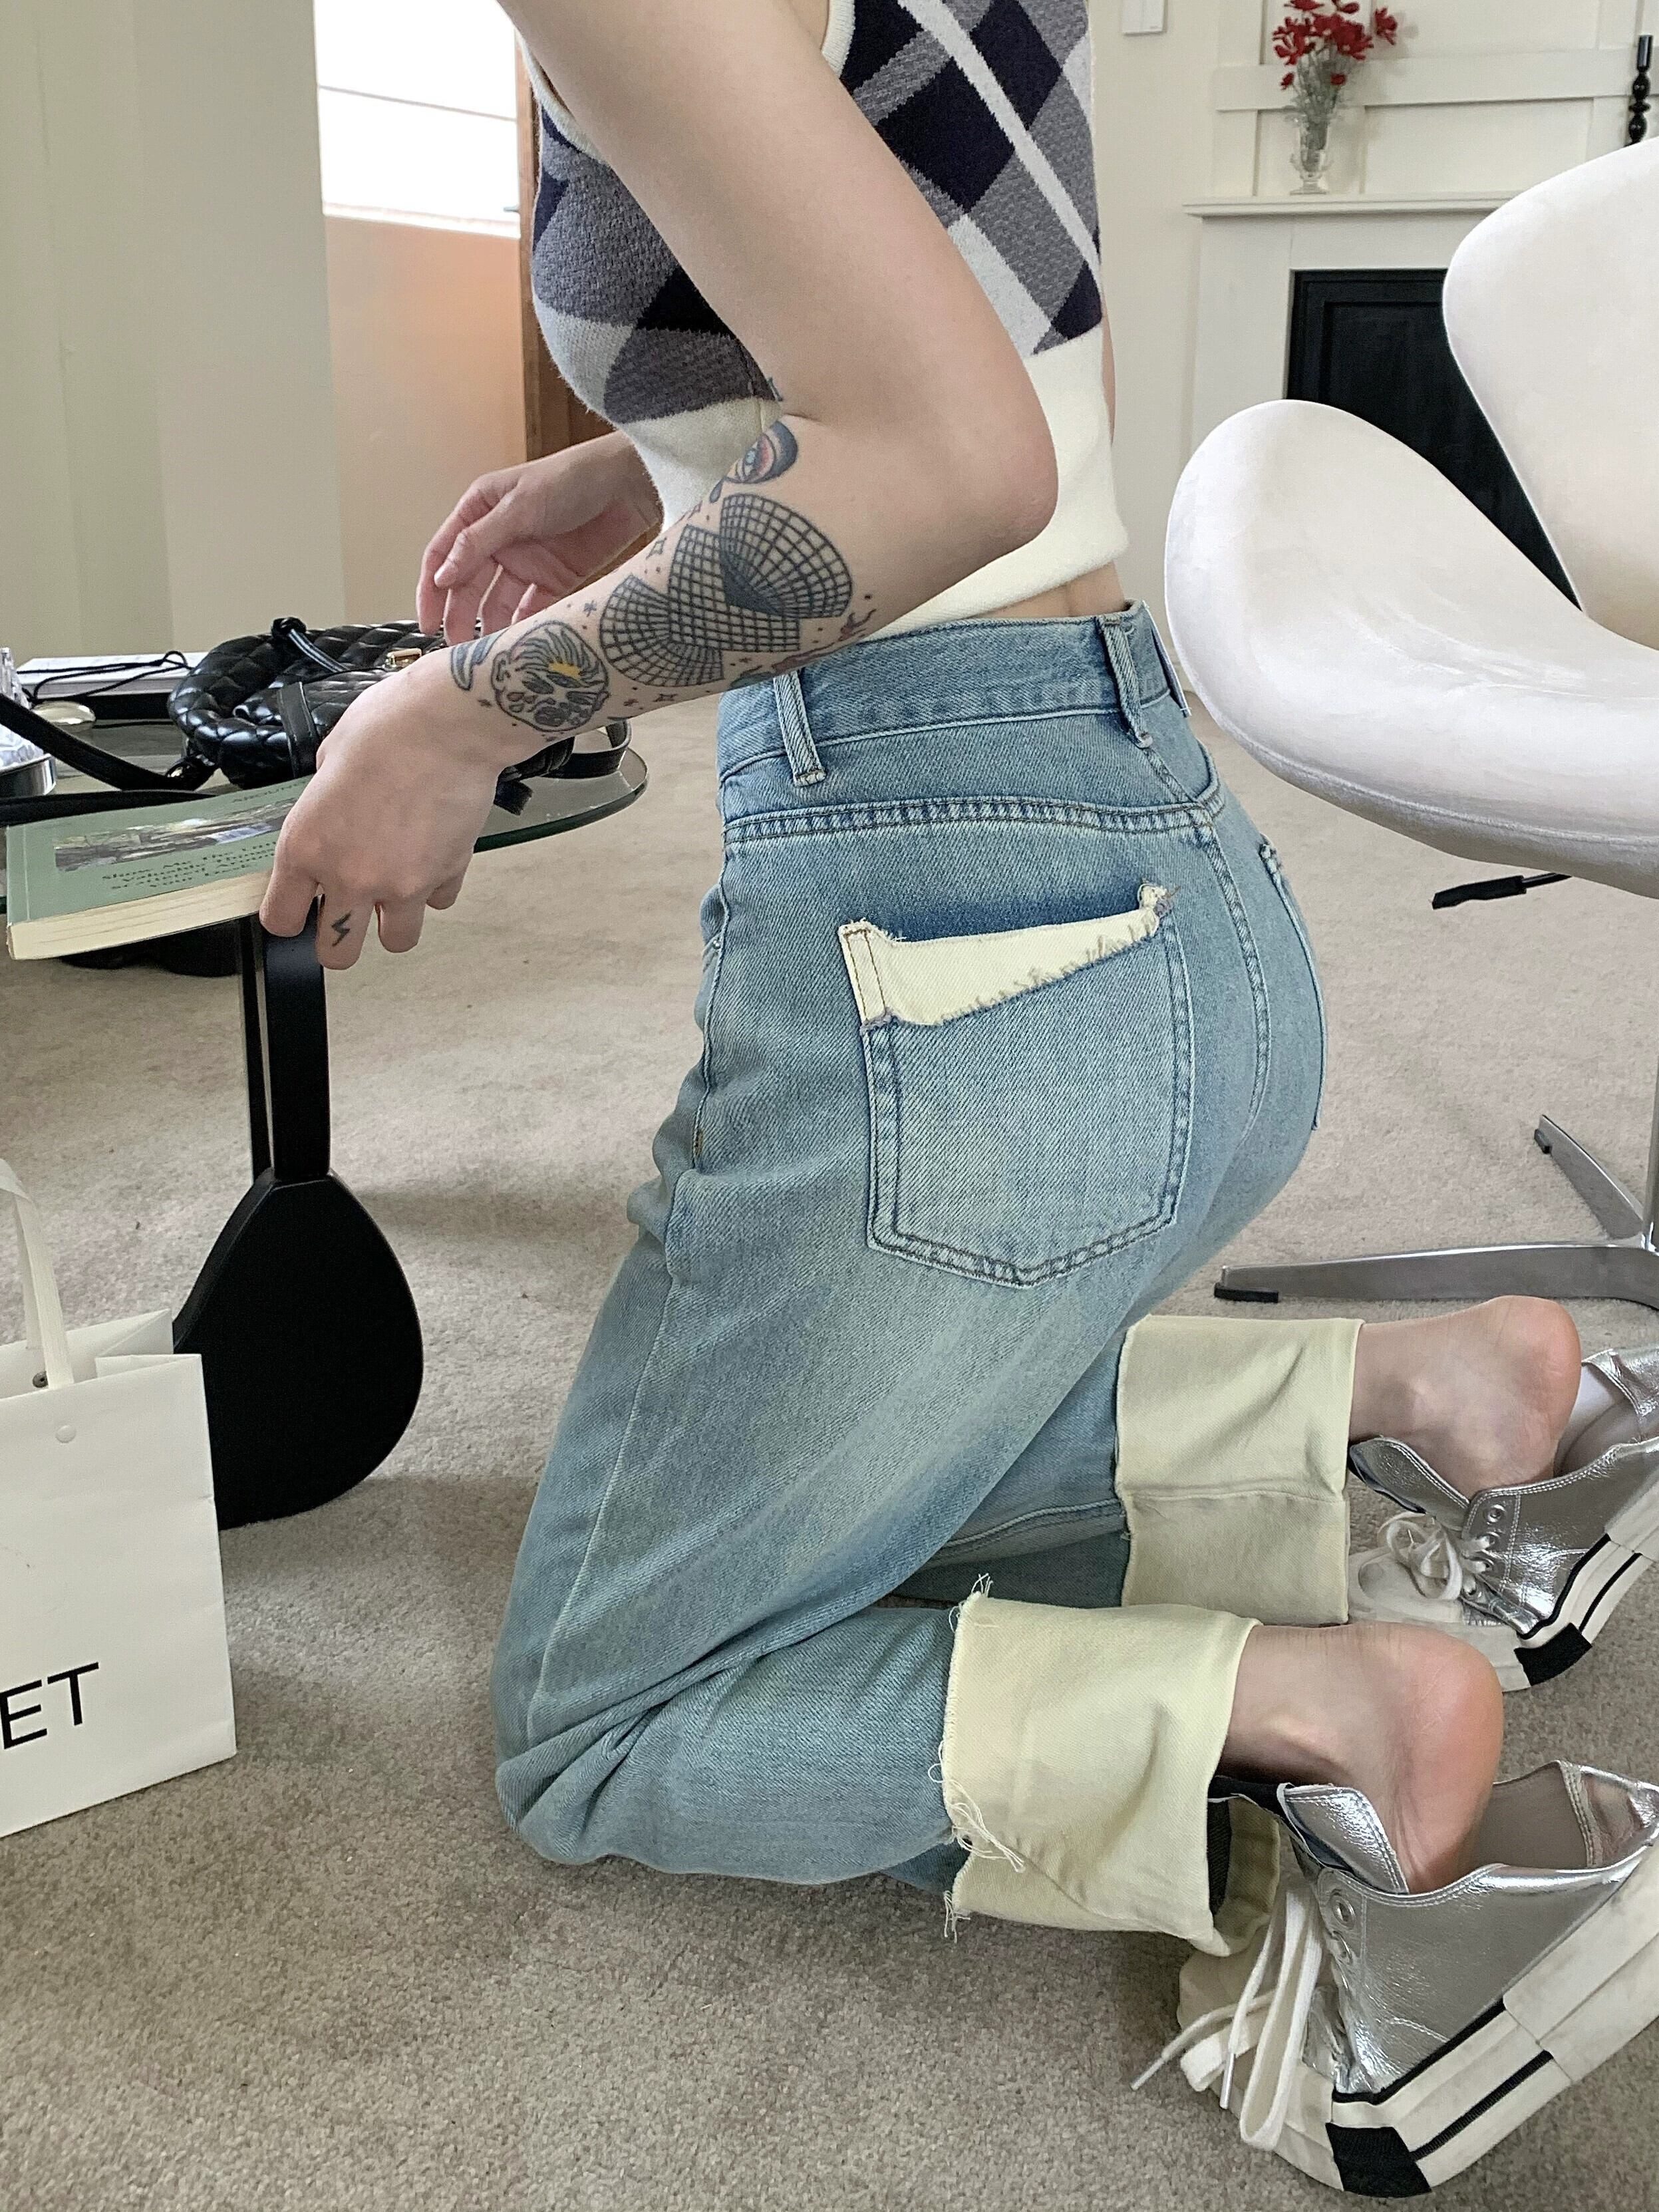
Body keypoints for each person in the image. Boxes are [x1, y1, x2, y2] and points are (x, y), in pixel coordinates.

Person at [261, 1, 1659, 2185]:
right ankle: (1433, 1388)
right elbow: (971, 333)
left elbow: (950, 462)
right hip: (1140, 858)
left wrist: (450, 716)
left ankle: (1333, 1710)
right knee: (875, 1490)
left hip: (964, 978)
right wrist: (643, 470)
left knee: (607, 1718)